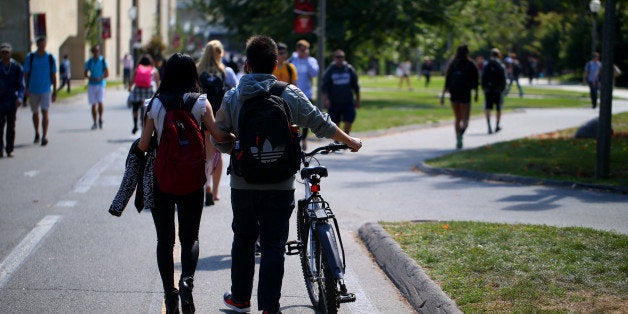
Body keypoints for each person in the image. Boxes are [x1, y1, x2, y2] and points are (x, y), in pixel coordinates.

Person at [215, 35, 362, 314]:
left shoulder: (233, 96)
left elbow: (219, 138)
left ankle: (240, 299)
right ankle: (270, 307)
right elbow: (320, 122)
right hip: (280, 184)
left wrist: (233, 144)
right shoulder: (289, 93)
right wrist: (349, 141)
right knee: (273, 245)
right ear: (276, 64)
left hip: (243, 183)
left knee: (244, 239)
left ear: (246, 65)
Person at [137, 53, 233, 314]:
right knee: (190, 237)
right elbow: (218, 135)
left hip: (162, 178)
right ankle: (187, 282)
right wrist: (235, 135)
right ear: (193, 74)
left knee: (164, 241)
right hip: (192, 178)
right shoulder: (201, 103)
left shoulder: (154, 103)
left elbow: (144, 144)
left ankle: (170, 294)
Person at [196, 39, 239, 206]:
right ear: (220, 53)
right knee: (217, 153)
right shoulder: (225, 71)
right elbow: (236, 88)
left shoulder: (198, 71)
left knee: (204, 153)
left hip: (202, 115)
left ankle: (205, 182)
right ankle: (215, 191)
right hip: (219, 117)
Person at [440, 45, 479, 149]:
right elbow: (475, 81)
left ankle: (458, 139)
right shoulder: (471, 64)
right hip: (465, 94)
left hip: (454, 94)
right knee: (465, 119)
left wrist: (443, 95)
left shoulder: (453, 64)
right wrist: (476, 94)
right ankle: (461, 134)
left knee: (457, 118)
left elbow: (447, 80)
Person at [23, 36, 57, 146]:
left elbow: (53, 74)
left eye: (43, 44)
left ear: (45, 44)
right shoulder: (30, 57)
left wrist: (55, 90)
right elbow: (26, 74)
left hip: (46, 89)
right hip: (33, 89)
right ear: (37, 45)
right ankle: (37, 132)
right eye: (40, 44)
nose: (42, 46)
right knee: (35, 113)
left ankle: (44, 135)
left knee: (45, 112)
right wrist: (26, 88)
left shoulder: (50, 58)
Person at [288, 39, 319, 150]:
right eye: (301, 49)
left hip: (307, 93)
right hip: (293, 93)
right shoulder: (292, 60)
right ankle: (297, 138)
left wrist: (306, 60)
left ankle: (304, 138)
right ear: (297, 50)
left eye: (305, 49)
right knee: (293, 117)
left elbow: (315, 73)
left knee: (305, 118)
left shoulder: (311, 60)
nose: (303, 51)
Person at [321, 49, 360, 135]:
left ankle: (346, 138)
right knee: (335, 122)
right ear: (334, 58)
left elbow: (356, 86)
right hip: (334, 101)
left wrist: (357, 100)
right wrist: (326, 99)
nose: (340, 59)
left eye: (342, 57)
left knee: (349, 120)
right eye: (338, 57)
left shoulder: (349, 69)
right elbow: (324, 86)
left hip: (348, 101)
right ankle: (338, 140)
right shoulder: (330, 70)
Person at [0, 43, 25, 158]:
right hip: (1, 100)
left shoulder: (16, 67)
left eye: (7, 52)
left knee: (11, 126)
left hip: (11, 100)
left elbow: (21, 84)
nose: (5, 54)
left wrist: (20, 97)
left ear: (10, 53)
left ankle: (10, 149)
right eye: (3, 52)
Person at [128, 54, 159, 134]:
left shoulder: (137, 69)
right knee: (147, 109)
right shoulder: (154, 70)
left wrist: (130, 87)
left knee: (135, 108)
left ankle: (135, 125)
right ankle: (145, 126)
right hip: (149, 91)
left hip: (138, 91)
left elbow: (132, 80)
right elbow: (157, 82)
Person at [481, 48, 507, 134]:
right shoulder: (501, 65)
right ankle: (497, 125)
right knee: (498, 108)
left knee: (488, 108)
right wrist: (502, 88)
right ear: (498, 55)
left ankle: (489, 126)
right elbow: (504, 78)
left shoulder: (487, 64)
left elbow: (483, 77)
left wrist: (484, 87)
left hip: (488, 89)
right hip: (498, 90)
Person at [84, 45, 109, 130]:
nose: (96, 53)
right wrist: (90, 77)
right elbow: (85, 73)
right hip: (92, 84)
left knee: (100, 101)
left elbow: (107, 73)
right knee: (93, 104)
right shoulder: (89, 62)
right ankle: (95, 122)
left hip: (101, 84)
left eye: (97, 51)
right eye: (94, 51)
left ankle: (100, 118)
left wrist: (100, 78)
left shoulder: (103, 61)